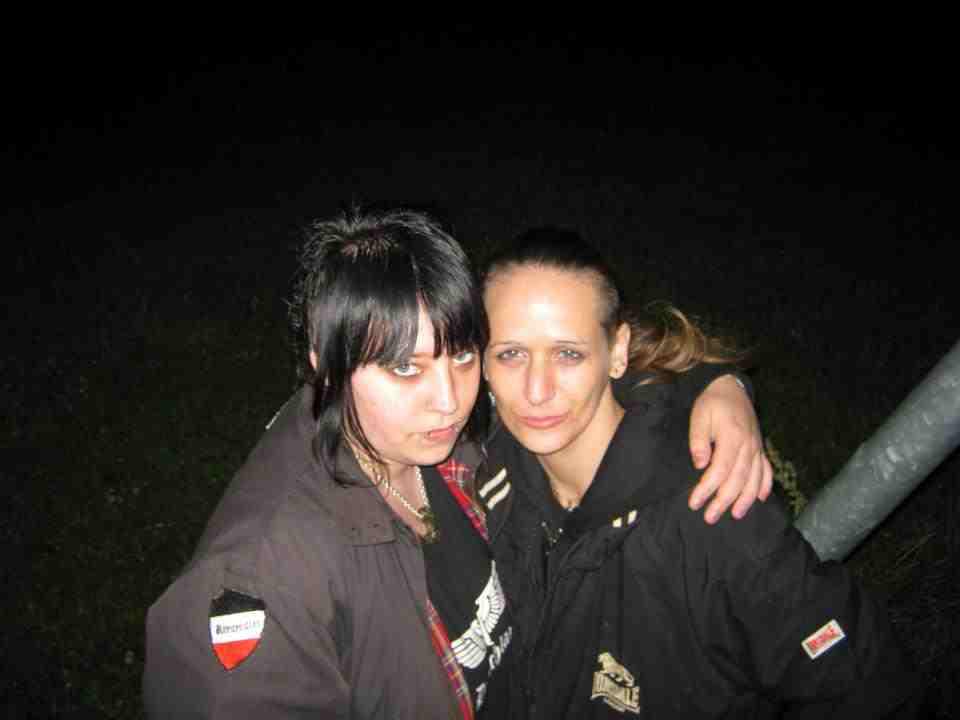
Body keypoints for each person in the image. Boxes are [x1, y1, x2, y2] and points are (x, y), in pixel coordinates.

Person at [142, 210, 769, 719]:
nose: (449, 401)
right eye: (405, 367)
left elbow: (581, 366)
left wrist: (715, 386)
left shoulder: (433, 434)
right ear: (325, 364)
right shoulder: (265, 582)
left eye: (464, 356)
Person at [478, 227, 919, 719]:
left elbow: (866, 686)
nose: (537, 390)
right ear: (481, 360)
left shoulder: (714, 510)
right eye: (511, 353)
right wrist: (716, 379)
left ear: (618, 352)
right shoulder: (484, 459)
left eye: (568, 354)